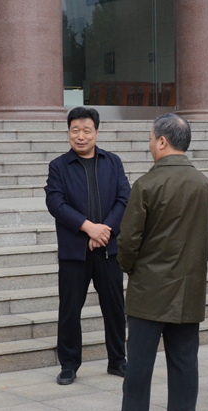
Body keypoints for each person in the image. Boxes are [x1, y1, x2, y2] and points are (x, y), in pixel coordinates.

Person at [104, 114, 208, 411]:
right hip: (188, 289)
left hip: (148, 289)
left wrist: (133, 268)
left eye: (150, 138)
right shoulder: (204, 185)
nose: (149, 144)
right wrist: (192, 261)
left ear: (162, 141)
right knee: (185, 366)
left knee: (139, 368)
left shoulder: (147, 184)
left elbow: (128, 241)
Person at [45, 107, 130, 385]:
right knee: (70, 310)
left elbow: (124, 198)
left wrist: (104, 230)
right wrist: (88, 227)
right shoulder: (59, 166)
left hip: (108, 250)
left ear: (97, 132)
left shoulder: (112, 162)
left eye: (86, 130)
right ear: (68, 132)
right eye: (75, 130)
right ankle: (69, 365)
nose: (80, 136)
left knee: (114, 308)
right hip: (74, 253)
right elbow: (55, 203)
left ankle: (117, 360)